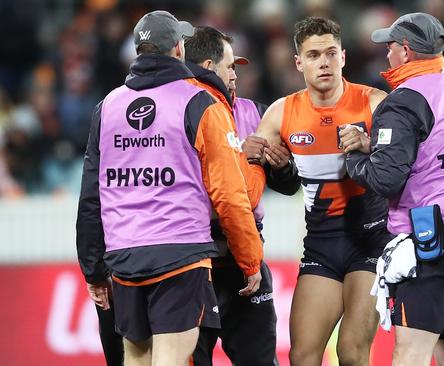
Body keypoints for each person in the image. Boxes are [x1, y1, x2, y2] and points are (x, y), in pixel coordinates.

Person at [75, 10, 263, 366]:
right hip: (180, 256)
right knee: (172, 359)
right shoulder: (199, 102)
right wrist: (249, 258)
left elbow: (90, 196)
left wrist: (93, 269)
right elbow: (228, 193)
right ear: (179, 48)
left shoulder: (108, 106)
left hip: (125, 255)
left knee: (136, 358)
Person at [342, 12, 444, 365]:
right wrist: (385, 148)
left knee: (409, 353)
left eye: (390, 46)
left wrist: (353, 157)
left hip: (436, 243)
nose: (386, 54)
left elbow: (385, 180)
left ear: (407, 50)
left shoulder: (403, 99)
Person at [251, 16, 391, 366]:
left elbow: (407, 163)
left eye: (330, 53)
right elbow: (263, 177)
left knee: (352, 352)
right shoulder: (280, 113)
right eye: (313, 55)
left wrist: (370, 144)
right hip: (321, 247)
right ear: (299, 63)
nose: (324, 62)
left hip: (371, 242)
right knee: (302, 355)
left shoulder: (374, 103)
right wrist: (276, 166)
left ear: (343, 57)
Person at [184, 25, 297, 366]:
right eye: (231, 66)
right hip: (198, 258)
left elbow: (290, 185)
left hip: (244, 256)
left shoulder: (256, 113)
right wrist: (241, 157)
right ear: (208, 66)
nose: (236, 75)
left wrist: (279, 166)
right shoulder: (183, 113)